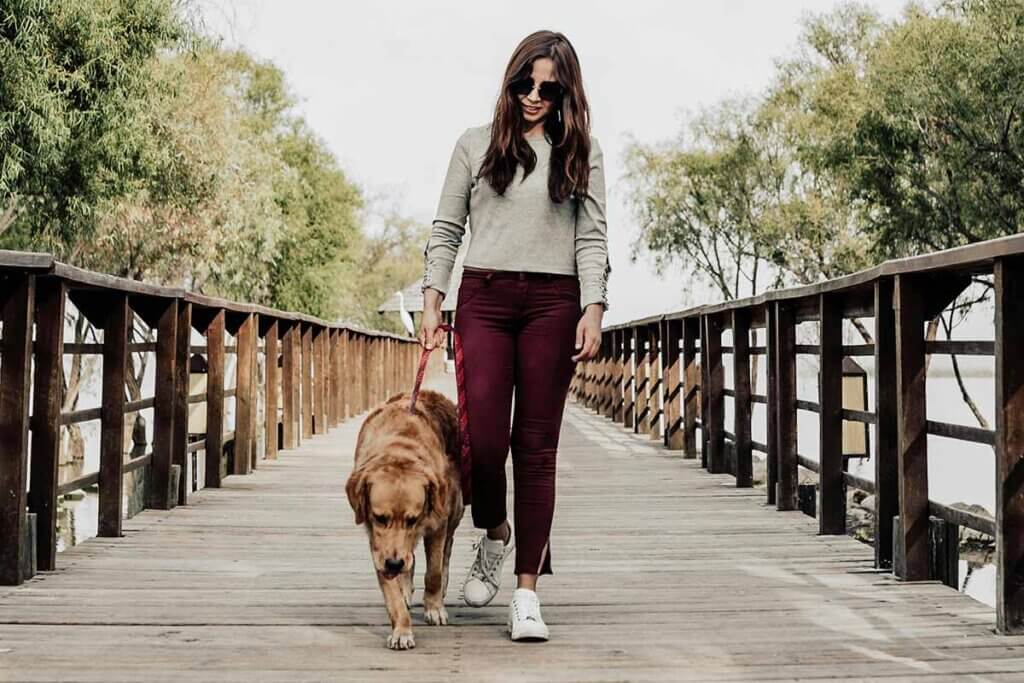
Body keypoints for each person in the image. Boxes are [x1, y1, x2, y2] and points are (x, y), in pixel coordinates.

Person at [417, 29, 609, 643]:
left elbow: (592, 237)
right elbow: (447, 229)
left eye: (548, 88)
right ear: (510, 80)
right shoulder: (475, 146)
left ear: (565, 93)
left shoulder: (583, 152)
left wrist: (594, 306)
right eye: (524, 82)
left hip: (555, 302)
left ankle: (527, 592)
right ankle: (494, 534)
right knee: (483, 444)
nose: (533, 95)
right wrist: (432, 301)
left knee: (537, 449)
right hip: (485, 299)